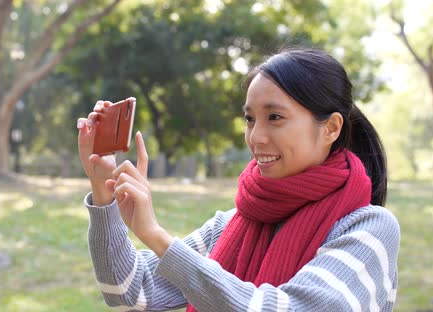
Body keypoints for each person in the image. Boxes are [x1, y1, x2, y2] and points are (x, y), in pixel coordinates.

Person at [76, 47, 400, 312]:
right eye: (249, 119)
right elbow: (128, 290)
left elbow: (290, 309)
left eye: (275, 117)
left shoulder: (369, 228)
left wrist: (156, 236)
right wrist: (103, 192)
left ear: (330, 127)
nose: (256, 137)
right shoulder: (232, 223)